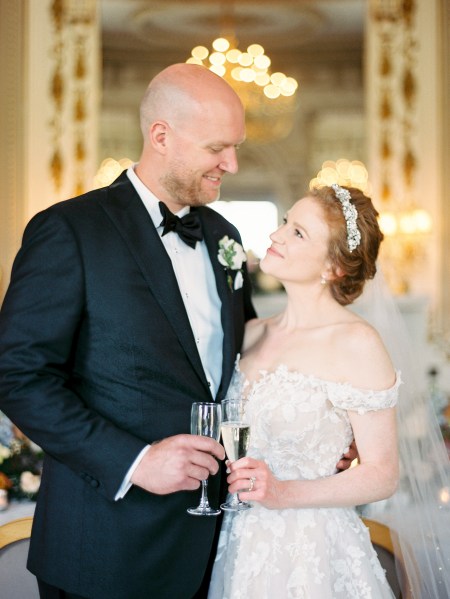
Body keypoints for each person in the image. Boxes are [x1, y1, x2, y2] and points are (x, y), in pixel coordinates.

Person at [0, 63, 256, 599]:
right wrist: (136, 462)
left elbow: (244, 363)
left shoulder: (224, 236)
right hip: (105, 545)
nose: (231, 164)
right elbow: (18, 376)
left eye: (235, 147)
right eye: (217, 148)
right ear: (161, 136)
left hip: (219, 544)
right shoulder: (69, 230)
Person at [208, 184, 401, 598]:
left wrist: (283, 492)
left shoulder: (357, 342)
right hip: (236, 542)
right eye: (284, 223)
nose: (276, 235)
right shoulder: (250, 333)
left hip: (312, 550)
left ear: (335, 267)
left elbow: (383, 475)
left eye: (298, 232)